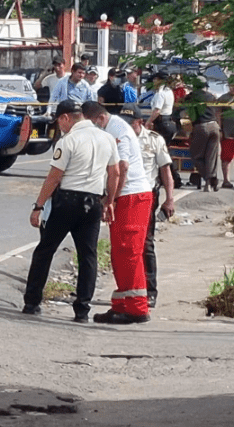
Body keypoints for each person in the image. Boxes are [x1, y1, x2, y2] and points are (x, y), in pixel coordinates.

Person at [22, 100, 120, 323]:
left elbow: (54, 177)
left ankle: (32, 302)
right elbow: (114, 173)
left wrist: (38, 206)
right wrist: (109, 201)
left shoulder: (68, 141)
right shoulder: (107, 138)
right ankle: (82, 310)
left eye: (60, 121)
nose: (60, 126)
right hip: (93, 201)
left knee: (45, 250)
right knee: (88, 256)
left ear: (66, 118)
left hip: (66, 201)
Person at [82, 101, 153, 324]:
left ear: (99, 119)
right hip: (128, 195)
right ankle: (123, 303)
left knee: (129, 251)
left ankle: (137, 308)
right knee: (120, 252)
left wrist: (110, 200)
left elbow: (122, 169)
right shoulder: (114, 127)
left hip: (132, 196)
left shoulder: (117, 130)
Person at [122, 105, 174, 309]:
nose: (126, 126)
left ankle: (150, 290)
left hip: (146, 196)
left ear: (139, 123)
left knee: (145, 244)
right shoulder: (119, 138)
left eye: (130, 123)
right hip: (123, 195)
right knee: (125, 244)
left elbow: (165, 171)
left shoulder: (153, 139)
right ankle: (128, 288)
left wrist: (170, 199)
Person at [144, 70, 182, 188]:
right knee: (163, 152)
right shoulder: (169, 91)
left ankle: (171, 178)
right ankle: (170, 178)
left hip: (162, 123)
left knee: (159, 153)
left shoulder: (161, 93)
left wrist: (148, 122)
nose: (154, 81)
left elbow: (157, 110)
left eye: (155, 79)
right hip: (168, 122)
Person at [185, 78, 221, 191]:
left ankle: (208, 180)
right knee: (211, 157)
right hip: (214, 126)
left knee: (196, 156)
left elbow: (184, 111)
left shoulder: (191, 97)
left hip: (201, 127)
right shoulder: (211, 96)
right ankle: (211, 181)